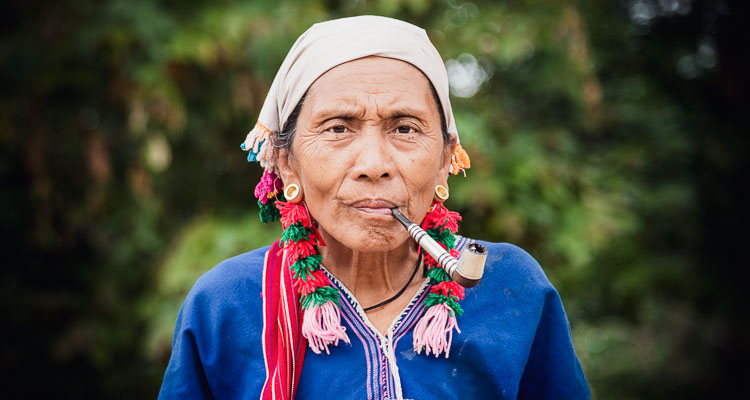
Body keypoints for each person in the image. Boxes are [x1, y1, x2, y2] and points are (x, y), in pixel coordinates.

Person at [158, 15, 590, 400]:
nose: (374, 165)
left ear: (444, 160)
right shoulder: (225, 306)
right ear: (287, 163)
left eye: (405, 128)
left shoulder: (512, 288)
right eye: (338, 127)